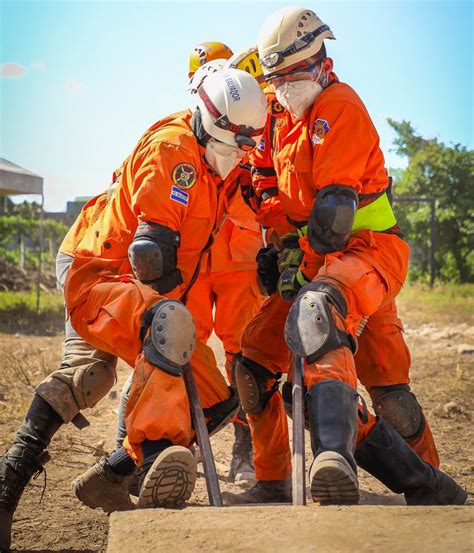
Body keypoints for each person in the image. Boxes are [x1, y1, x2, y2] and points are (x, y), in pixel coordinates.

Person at [225, 7, 467, 506]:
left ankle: (350, 464)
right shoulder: (279, 117)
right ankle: (274, 477)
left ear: (318, 60)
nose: (282, 87)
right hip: (321, 263)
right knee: (252, 365)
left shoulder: (338, 106)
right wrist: (280, 249)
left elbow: (334, 219)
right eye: (275, 78)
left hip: (368, 253)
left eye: (289, 75)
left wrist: (299, 260)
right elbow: (268, 189)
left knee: (370, 370)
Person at [64, 68, 266, 513]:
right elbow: (149, 260)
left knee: (220, 402)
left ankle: (112, 474)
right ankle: (155, 456)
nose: (232, 156)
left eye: (241, 148)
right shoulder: (172, 150)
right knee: (170, 325)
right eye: (225, 146)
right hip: (105, 283)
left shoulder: (226, 167)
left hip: (154, 303)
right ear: (205, 122)